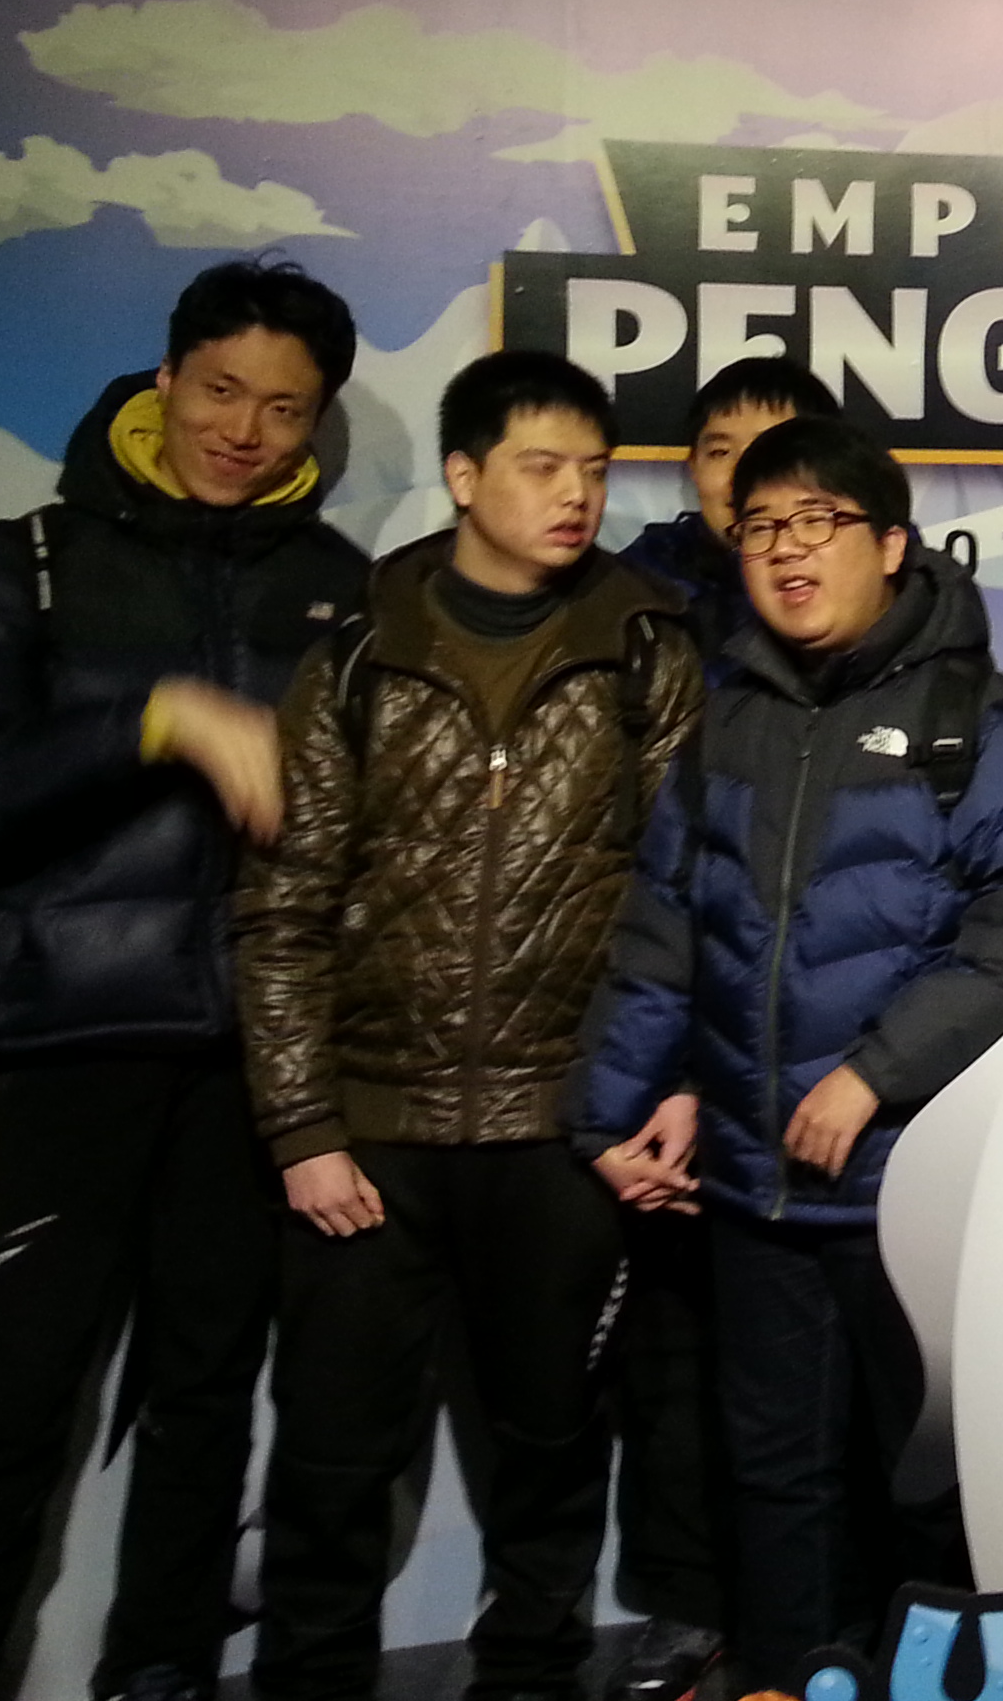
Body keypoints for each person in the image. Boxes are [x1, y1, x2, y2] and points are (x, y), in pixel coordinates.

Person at [0, 259, 368, 1701]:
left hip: (248, 1057)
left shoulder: (340, 587)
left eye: (284, 409)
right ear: (166, 379)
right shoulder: (28, 556)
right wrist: (159, 719)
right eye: (220, 391)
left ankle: (158, 1670)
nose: (244, 431)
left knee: (206, 1395)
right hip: (68, 1041)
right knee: (18, 1402)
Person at [571, 416, 1003, 1692]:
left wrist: (874, 1073)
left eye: (819, 522)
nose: (788, 551)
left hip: (915, 1196)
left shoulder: (985, 725)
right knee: (776, 1481)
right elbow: (667, 923)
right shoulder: (730, 719)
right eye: (762, 527)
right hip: (756, 1190)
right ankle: (795, 1676)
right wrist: (616, 1109)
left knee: (930, 1484)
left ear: (893, 544)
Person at [235, 351, 703, 1701]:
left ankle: (529, 1677)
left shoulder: (647, 649)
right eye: (542, 466)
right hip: (370, 1135)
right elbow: (281, 907)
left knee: (551, 1452)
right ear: (462, 475)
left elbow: (686, 896)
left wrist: (657, 1086)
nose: (576, 496)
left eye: (595, 470)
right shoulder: (359, 655)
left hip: (561, 1130)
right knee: (331, 1455)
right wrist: (303, 1127)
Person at [602, 354, 839, 1699]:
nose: (748, 477)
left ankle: (838, 1614)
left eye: (780, 448)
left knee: (825, 1362)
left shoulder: (890, 612)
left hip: (826, 1051)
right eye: (718, 451)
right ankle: (687, 1603)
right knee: (678, 1347)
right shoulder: (633, 609)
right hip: (673, 1026)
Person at [622, 356, 845, 662]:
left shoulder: (883, 580)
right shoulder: (637, 587)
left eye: (768, 449)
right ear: (693, 466)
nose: (739, 475)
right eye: (720, 452)